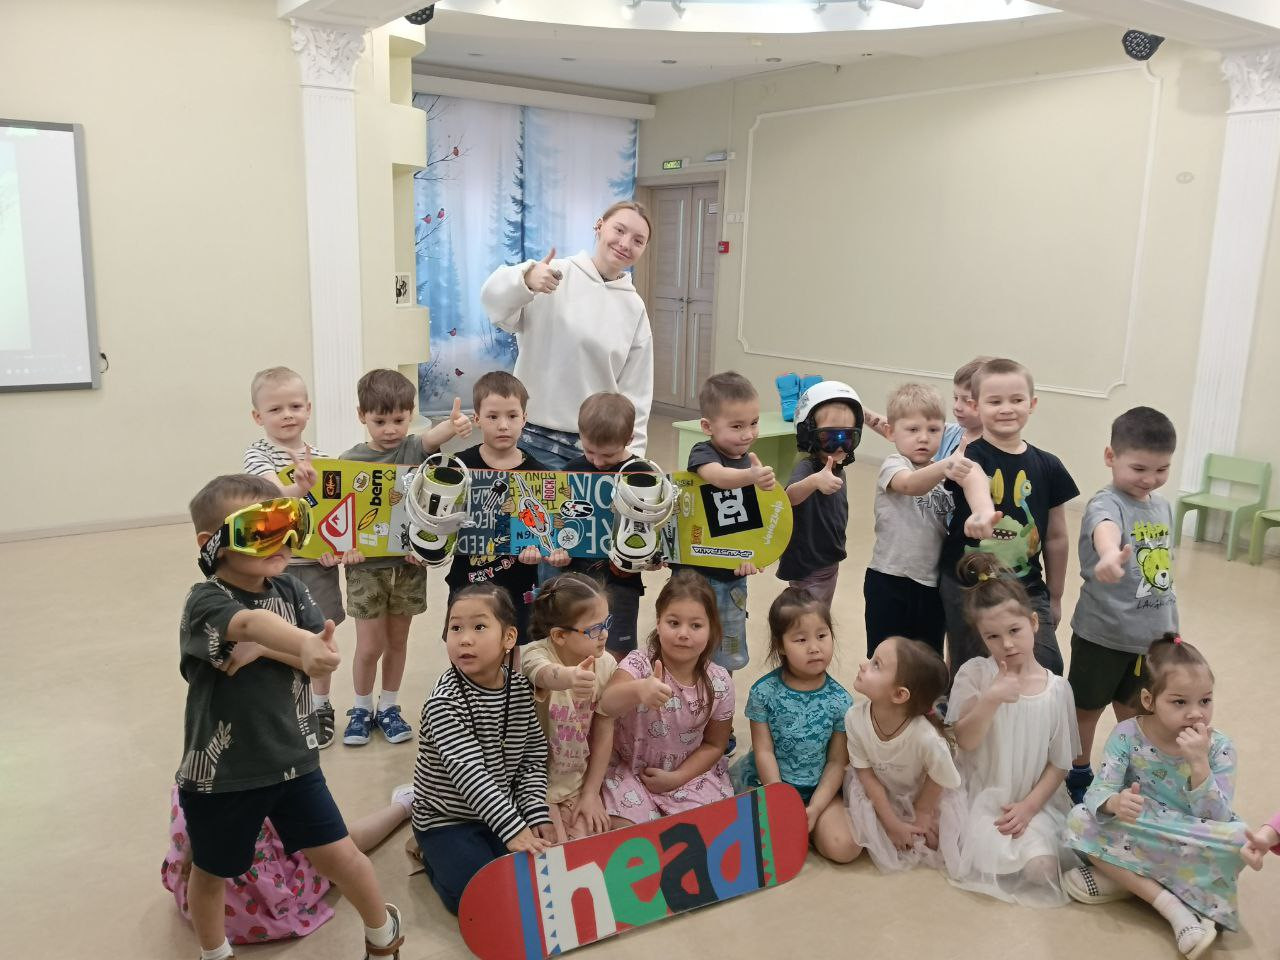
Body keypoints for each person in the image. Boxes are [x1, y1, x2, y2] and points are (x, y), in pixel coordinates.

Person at [178, 474, 403, 960]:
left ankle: (384, 935)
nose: (281, 540)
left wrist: (268, 650)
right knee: (211, 872)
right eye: (260, 530)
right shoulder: (206, 601)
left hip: (294, 761)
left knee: (341, 856)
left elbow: (316, 652)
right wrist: (293, 644)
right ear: (212, 543)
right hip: (222, 775)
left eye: (288, 524)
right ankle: (214, 953)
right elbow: (249, 623)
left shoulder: (293, 588)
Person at [1065, 636, 1242, 959]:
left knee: (1240, 840)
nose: (1196, 714)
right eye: (1179, 702)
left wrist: (1199, 765)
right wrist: (1114, 803)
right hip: (1140, 828)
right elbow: (1099, 789)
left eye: (1205, 701)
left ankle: (1128, 880)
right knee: (1077, 820)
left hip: (1188, 834)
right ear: (1149, 699)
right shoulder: (1127, 735)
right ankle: (1175, 906)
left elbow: (1217, 819)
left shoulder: (1219, 747)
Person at [340, 368, 472, 747]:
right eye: (380, 421)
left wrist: (454, 425)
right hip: (366, 569)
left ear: (410, 415)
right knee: (369, 646)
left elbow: (434, 436)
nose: (390, 430)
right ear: (362, 415)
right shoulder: (350, 461)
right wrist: (345, 549)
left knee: (398, 642)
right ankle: (361, 708)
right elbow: (339, 515)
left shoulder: (414, 448)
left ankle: (389, 706)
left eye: (398, 420)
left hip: (409, 566)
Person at [411, 584, 554, 914]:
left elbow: (532, 759)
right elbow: (471, 776)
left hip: (499, 809)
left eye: (479, 627)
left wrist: (534, 811)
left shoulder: (519, 688)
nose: (464, 639)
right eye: (455, 628)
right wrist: (514, 829)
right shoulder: (443, 703)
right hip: (446, 819)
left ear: (509, 637)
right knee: (478, 899)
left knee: (532, 882)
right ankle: (428, 853)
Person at [947, 553, 1080, 908]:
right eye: (992, 636)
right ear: (981, 638)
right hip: (983, 798)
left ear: (1034, 623)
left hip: (1033, 802)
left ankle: (1027, 843)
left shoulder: (1057, 690)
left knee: (1041, 870)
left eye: (1014, 631)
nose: (1006, 644)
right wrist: (990, 699)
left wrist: (1028, 808)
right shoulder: (975, 674)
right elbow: (965, 741)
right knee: (983, 859)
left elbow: (1059, 764)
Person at [481, 201, 655, 465]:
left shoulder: (633, 306)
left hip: (597, 448)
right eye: (619, 230)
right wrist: (525, 280)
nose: (625, 243)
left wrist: (634, 457)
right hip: (532, 439)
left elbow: (637, 388)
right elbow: (493, 302)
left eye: (638, 240)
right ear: (599, 226)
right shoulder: (552, 274)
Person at [939, 357, 1079, 679]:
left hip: (1026, 585)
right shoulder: (967, 457)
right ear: (976, 406)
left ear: (1032, 404)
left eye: (1016, 400)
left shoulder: (1049, 465)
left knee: (1046, 665)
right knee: (970, 670)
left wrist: (1056, 596)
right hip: (967, 586)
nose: (1006, 409)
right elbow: (973, 480)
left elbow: (1056, 537)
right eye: (994, 401)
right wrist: (982, 514)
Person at [1065, 407, 1179, 803]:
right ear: (1110, 456)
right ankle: (1079, 772)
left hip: (1152, 640)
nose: (1150, 479)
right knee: (1086, 709)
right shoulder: (1106, 503)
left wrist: (1170, 631)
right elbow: (1105, 529)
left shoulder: (1162, 506)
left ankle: (1129, 773)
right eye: (1139, 468)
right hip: (1104, 635)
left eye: (1162, 469)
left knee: (1138, 712)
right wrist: (1110, 554)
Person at [162, 783, 413, 944]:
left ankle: (216, 954)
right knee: (344, 846)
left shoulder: (191, 779)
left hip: (208, 908)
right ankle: (404, 806)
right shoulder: (272, 773)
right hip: (264, 904)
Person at [240, 365, 344, 748]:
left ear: (308, 409)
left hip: (317, 567)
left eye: (295, 406)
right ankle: (284, 709)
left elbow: (337, 514)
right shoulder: (257, 455)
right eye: (275, 409)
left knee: (321, 635)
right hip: (275, 567)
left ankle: (320, 705)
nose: (287, 415)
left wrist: (338, 549)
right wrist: (297, 489)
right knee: (278, 637)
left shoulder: (325, 459)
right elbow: (271, 495)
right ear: (258, 416)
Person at [599, 571, 735, 825]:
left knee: (708, 828)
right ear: (659, 622)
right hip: (629, 771)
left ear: (712, 629)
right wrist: (638, 690)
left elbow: (715, 745)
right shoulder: (639, 663)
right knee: (628, 834)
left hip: (688, 776)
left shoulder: (720, 682)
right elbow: (606, 703)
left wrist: (678, 777)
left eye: (696, 625)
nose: (683, 633)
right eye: (674, 623)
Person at [730, 587, 857, 862]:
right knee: (747, 843)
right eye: (800, 639)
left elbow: (837, 762)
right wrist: (779, 800)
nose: (814, 648)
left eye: (822, 636)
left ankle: (809, 823)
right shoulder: (763, 693)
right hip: (770, 784)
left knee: (845, 847)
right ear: (780, 646)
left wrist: (816, 808)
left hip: (819, 790)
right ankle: (792, 825)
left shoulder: (841, 700)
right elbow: (764, 751)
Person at [446, 371, 569, 644]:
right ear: (477, 419)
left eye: (512, 416)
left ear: (524, 419)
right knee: (466, 649)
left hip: (518, 588)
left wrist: (549, 554)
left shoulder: (541, 475)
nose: (503, 425)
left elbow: (549, 538)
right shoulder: (459, 466)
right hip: (467, 584)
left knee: (517, 653)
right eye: (492, 416)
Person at [680, 371, 777, 676]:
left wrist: (753, 556)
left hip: (732, 574)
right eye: (737, 426)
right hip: (694, 572)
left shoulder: (748, 461)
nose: (748, 434)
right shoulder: (703, 452)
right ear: (707, 427)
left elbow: (754, 522)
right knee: (690, 639)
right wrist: (750, 476)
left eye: (754, 423)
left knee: (728, 643)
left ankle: (722, 697)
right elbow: (718, 477)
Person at [843, 635, 965, 873]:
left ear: (900, 694)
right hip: (877, 792)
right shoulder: (854, 718)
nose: (863, 665)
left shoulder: (926, 738)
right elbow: (865, 773)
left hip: (920, 795)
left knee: (936, 840)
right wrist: (890, 822)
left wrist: (923, 813)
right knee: (871, 836)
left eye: (876, 665)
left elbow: (940, 777)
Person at [864, 383, 969, 657]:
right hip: (889, 577)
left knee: (927, 659)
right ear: (891, 432)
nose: (923, 438)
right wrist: (947, 464)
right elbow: (910, 484)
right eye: (912, 430)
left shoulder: (945, 476)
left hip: (931, 584)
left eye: (933, 430)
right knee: (886, 656)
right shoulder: (894, 464)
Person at [520, 572, 618, 842]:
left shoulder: (605, 664)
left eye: (606, 622)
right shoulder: (534, 653)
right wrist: (570, 677)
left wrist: (591, 793)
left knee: (591, 842)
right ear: (560, 635)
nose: (604, 634)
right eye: (594, 629)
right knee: (551, 848)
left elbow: (604, 730)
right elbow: (543, 673)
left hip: (576, 783)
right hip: (533, 785)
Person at [561, 391, 649, 657]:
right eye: (589, 451)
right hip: (576, 578)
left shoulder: (642, 473)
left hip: (622, 582)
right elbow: (559, 522)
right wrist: (557, 549)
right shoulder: (571, 470)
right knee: (576, 645)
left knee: (618, 649)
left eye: (608, 455)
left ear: (629, 440)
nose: (598, 462)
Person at [776, 380, 863, 607]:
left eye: (848, 437)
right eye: (829, 438)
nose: (840, 446)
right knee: (808, 614)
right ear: (809, 434)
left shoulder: (837, 468)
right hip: (809, 563)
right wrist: (814, 481)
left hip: (827, 559)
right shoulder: (808, 467)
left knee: (820, 609)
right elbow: (789, 497)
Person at [935, 356, 991, 460]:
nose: (957, 407)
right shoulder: (944, 432)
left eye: (967, 401)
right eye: (956, 398)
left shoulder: (996, 447)